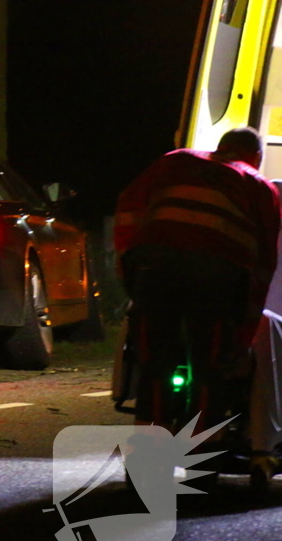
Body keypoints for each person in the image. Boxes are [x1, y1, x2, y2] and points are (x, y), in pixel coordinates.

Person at [114, 127, 280, 453]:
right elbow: (263, 267)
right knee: (211, 370)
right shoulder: (259, 185)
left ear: (220, 148)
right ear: (256, 158)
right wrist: (242, 341)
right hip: (216, 278)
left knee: (154, 367)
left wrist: (132, 279)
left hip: (155, 270)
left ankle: (147, 461)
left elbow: (127, 210)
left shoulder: (174, 161)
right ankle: (201, 465)